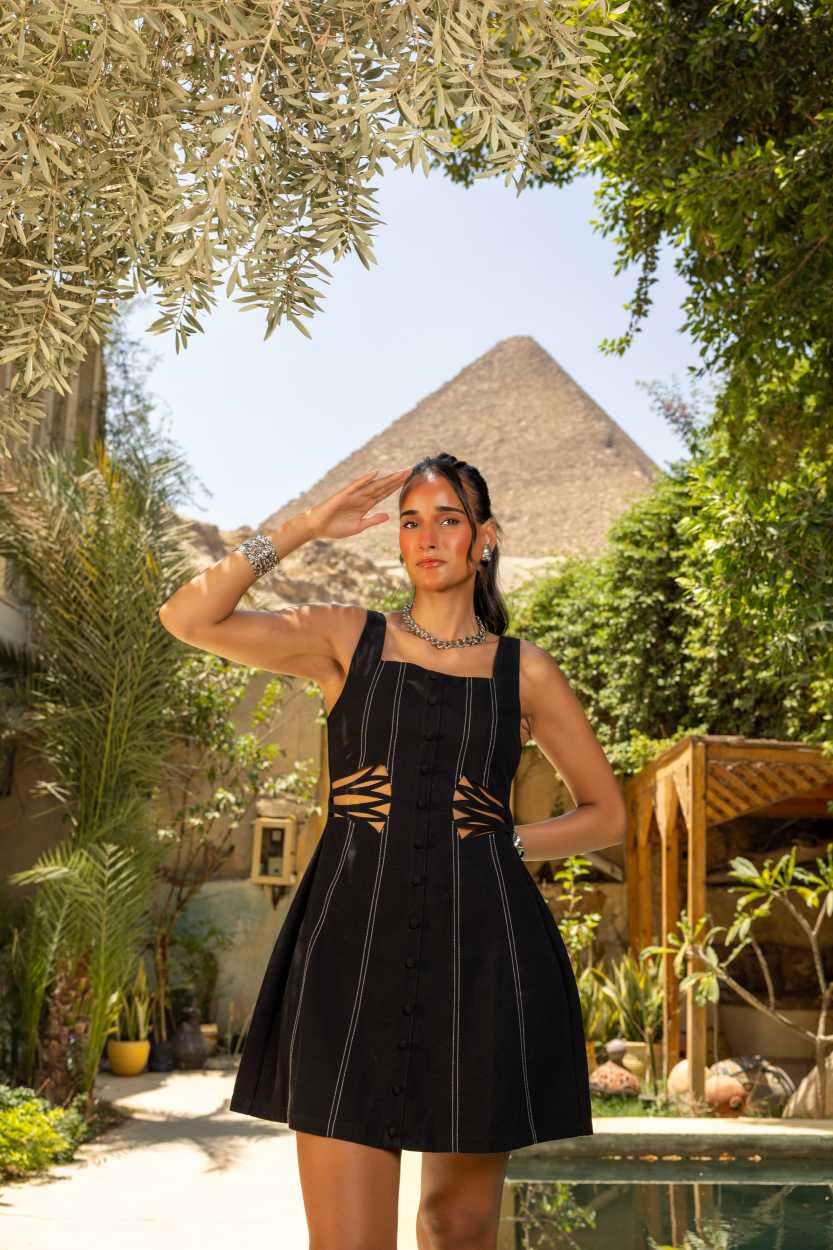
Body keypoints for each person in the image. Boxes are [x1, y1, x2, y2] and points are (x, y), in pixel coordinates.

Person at [158, 452, 627, 1250]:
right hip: (348, 953)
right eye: (411, 521)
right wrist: (302, 528)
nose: (427, 536)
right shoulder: (347, 638)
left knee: (456, 1227)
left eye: (448, 519)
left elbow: (606, 814)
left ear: (484, 538)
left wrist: (505, 836)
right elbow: (188, 618)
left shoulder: (525, 672)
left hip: (480, 959)